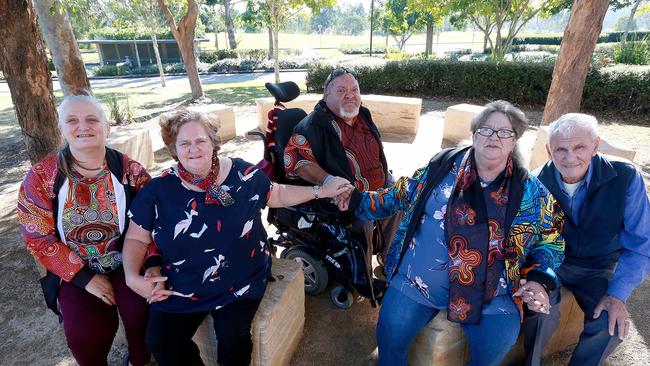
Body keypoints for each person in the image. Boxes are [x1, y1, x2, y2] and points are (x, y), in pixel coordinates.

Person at [339, 100, 565, 366]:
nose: (494, 137)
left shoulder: (528, 190)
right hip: (418, 282)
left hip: (492, 296)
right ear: (474, 134)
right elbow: (401, 194)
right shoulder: (443, 165)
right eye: (486, 130)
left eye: (505, 132)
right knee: (389, 343)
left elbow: (552, 238)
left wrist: (538, 278)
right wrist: (356, 201)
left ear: (514, 141)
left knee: (492, 352)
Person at [121, 109, 351, 366]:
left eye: (200, 140)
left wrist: (321, 190)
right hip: (183, 282)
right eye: (184, 143)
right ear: (174, 148)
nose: (193, 149)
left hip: (240, 280)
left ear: (213, 143)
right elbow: (136, 239)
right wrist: (132, 277)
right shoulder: (159, 189)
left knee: (233, 342)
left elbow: (277, 195)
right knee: (161, 340)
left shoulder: (242, 173)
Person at [17, 94, 152, 366]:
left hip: (127, 262)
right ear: (62, 128)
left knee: (141, 314)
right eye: (72, 120)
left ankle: (140, 360)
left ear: (106, 127)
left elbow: (152, 225)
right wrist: (85, 278)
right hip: (75, 269)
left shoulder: (131, 172)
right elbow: (38, 237)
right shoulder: (42, 177)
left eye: (92, 119)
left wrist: (146, 268)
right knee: (83, 334)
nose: (83, 126)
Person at [522, 113, 650, 366]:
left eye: (579, 147)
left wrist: (618, 294)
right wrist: (536, 281)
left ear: (595, 145)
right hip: (552, 264)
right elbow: (528, 242)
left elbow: (641, 243)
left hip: (598, 266)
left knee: (610, 324)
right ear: (549, 151)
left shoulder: (625, 176)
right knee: (538, 314)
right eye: (561, 149)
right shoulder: (535, 183)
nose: (570, 158)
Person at [283, 67, 398, 291]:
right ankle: (363, 279)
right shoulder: (313, 125)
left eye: (354, 89)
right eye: (341, 90)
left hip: (378, 186)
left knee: (400, 203)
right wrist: (328, 181)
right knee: (363, 217)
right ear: (326, 96)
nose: (350, 94)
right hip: (343, 195)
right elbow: (297, 161)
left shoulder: (363, 114)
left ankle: (390, 263)